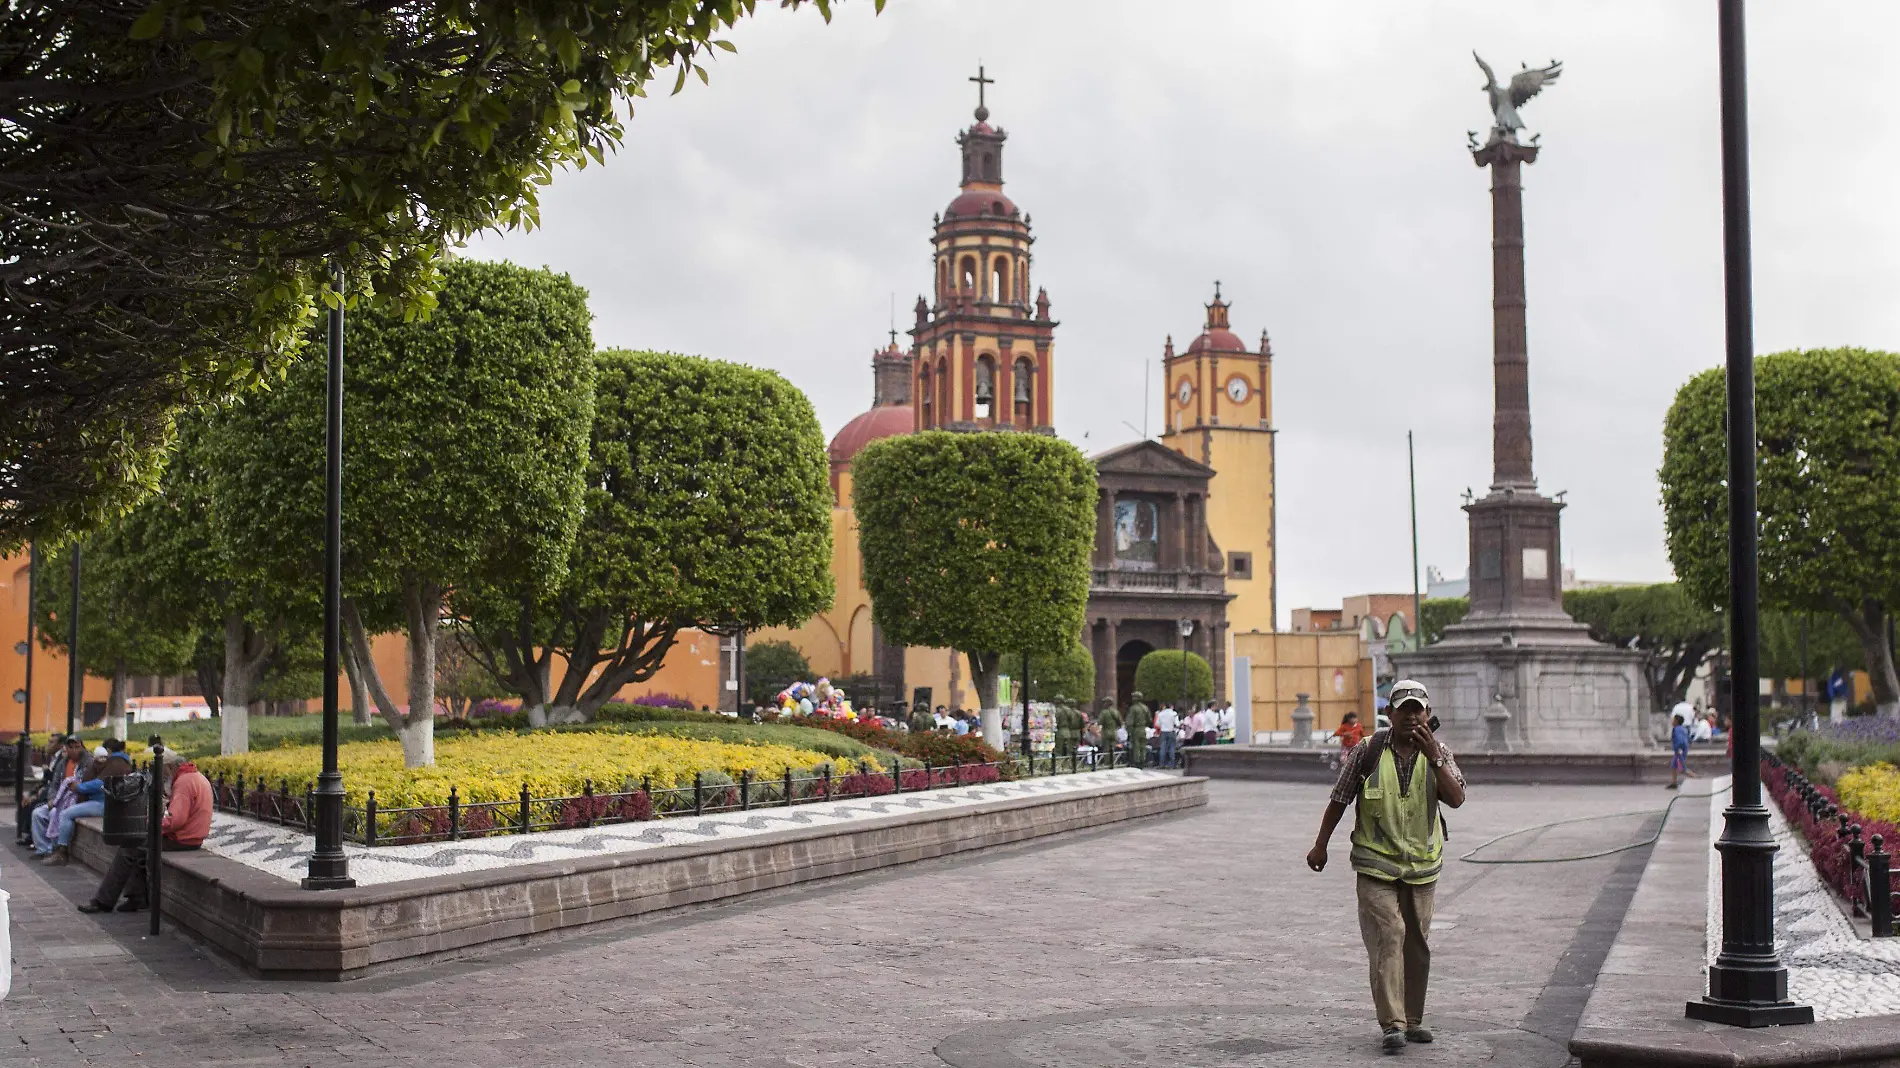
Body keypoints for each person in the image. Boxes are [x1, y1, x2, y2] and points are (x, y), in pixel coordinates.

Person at [1306, 679, 1466, 1054]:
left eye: (1418, 709)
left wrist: (1436, 758)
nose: (1412, 716)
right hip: (1375, 864)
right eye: (1404, 709)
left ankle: (1412, 1021)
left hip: (1422, 866)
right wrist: (1320, 846)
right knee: (1390, 933)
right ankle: (1392, 1024)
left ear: (1428, 714)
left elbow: (1457, 798)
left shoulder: (1439, 752)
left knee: (1417, 943)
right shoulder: (1368, 751)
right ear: (1390, 715)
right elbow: (1339, 799)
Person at [80, 752, 211, 914]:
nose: (160, 775)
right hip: (190, 836)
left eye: (161, 770)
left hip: (182, 839)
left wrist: (149, 825)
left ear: (169, 767)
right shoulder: (194, 776)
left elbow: (176, 820)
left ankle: (103, 901)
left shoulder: (184, 783)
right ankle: (137, 897)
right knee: (135, 844)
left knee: (129, 846)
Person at [1668, 713, 1697, 790]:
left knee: (1681, 768)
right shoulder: (1683, 729)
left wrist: (1678, 749)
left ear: (1676, 721)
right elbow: (1688, 739)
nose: (1672, 721)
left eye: (1673, 719)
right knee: (1674, 766)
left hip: (1679, 751)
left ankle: (1696, 778)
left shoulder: (1676, 729)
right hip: (1682, 750)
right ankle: (1674, 782)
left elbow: (1680, 740)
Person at [1154, 702, 1180, 768]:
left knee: (1163, 748)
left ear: (1165, 706)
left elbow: (1157, 724)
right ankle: (1172, 764)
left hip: (1163, 732)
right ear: (1171, 706)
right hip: (1171, 731)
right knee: (1172, 748)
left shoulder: (1160, 714)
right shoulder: (1174, 713)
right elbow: (1177, 724)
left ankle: (1162, 764)